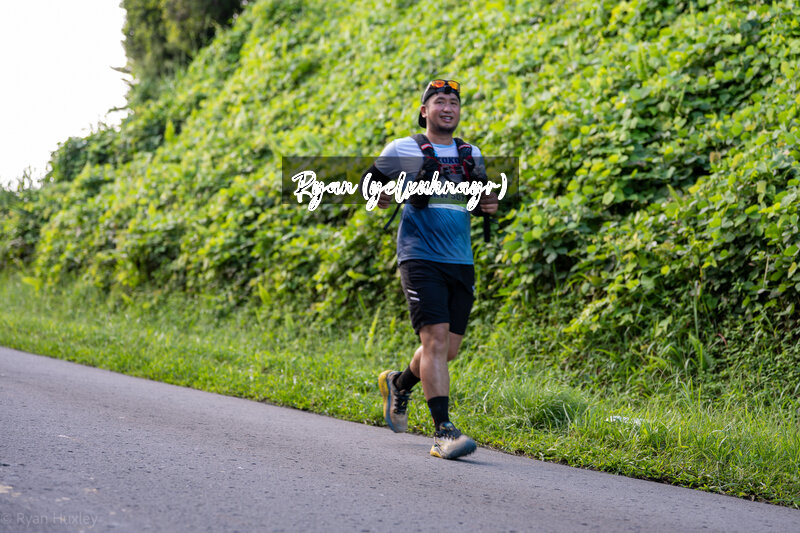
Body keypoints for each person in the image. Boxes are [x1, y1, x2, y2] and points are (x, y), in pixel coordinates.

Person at [372, 79, 498, 460]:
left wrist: (488, 203)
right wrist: (383, 194)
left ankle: (399, 383)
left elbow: (478, 198)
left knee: (446, 350)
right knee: (436, 342)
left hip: (460, 259)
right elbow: (370, 185)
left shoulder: (471, 154)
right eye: (440, 101)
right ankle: (444, 432)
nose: (447, 108)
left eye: (454, 103)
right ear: (424, 111)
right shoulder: (403, 149)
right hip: (419, 255)